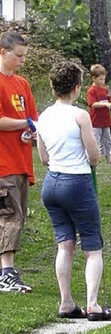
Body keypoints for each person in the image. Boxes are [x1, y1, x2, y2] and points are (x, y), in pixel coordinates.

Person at [37, 61, 111, 321]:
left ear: (52, 87)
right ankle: (93, 305)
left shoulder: (44, 116)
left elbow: (43, 158)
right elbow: (94, 156)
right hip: (77, 181)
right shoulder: (79, 115)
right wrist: (88, 160)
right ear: (77, 87)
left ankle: (67, 302)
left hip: (52, 183)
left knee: (65, 244)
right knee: (92, 245)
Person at [0, 31, 38, 293]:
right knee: (11, 216)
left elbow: (32, 117)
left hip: (22, 161)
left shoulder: (23, 84)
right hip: (3, 163)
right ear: (3, 52)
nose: (23, 61)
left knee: (17, 216)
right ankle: (6, 273)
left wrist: (32, 130)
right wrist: (24, 124)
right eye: (19, 56)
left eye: (25, 56)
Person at [86, 64, 111, 164]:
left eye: (103, 79)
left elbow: (110, 102)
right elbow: (93, 104)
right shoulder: (91, 91)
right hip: (95, 121)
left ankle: (109, 159)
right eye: (100, 79)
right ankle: (95, 159)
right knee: (96, 141)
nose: (102, 82)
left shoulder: (105, 90)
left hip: (106, 121)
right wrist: (106, 105)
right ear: (93, 78)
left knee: (107, 141)